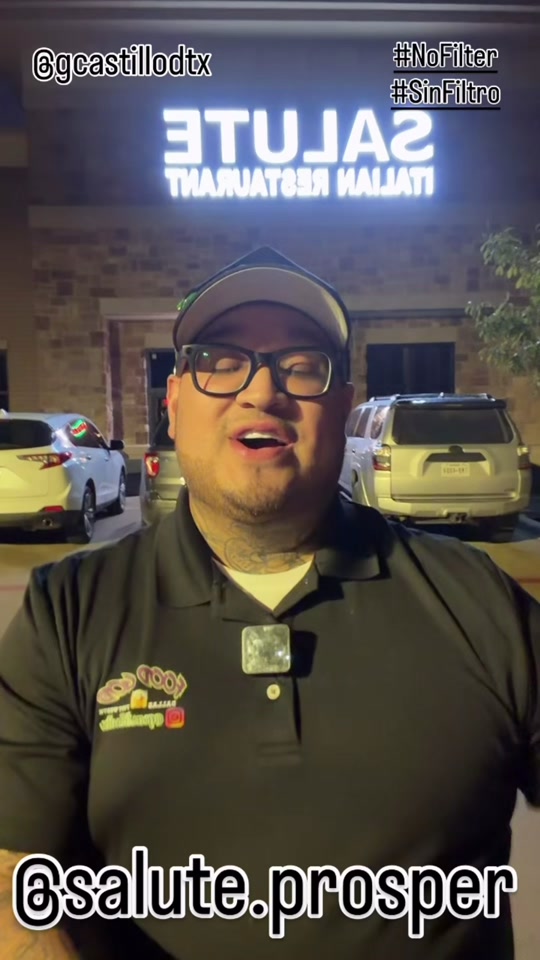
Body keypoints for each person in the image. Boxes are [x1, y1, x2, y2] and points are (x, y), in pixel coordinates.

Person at [0, 245, 539, 960]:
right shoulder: (66, 613)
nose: (261, 392)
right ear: (174, 404)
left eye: (301, 365)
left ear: (343, 407)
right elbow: (13, 885)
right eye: (220, 361)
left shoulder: (479, 604)